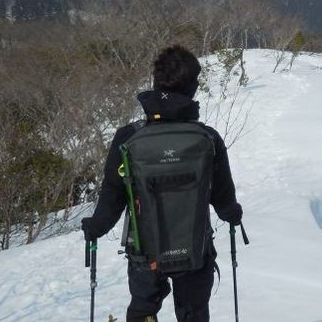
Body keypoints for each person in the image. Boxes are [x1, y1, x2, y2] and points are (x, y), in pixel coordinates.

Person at [82, 45, 243, 322]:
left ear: (156, 83)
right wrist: (233, 213)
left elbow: (113, 193)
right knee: (193, 312)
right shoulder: (208, 139)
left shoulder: (127, 138)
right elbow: (223, 198)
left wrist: (97, 225)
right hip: (195, 250)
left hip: (145, 251)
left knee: (143, 309)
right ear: (192, 88)